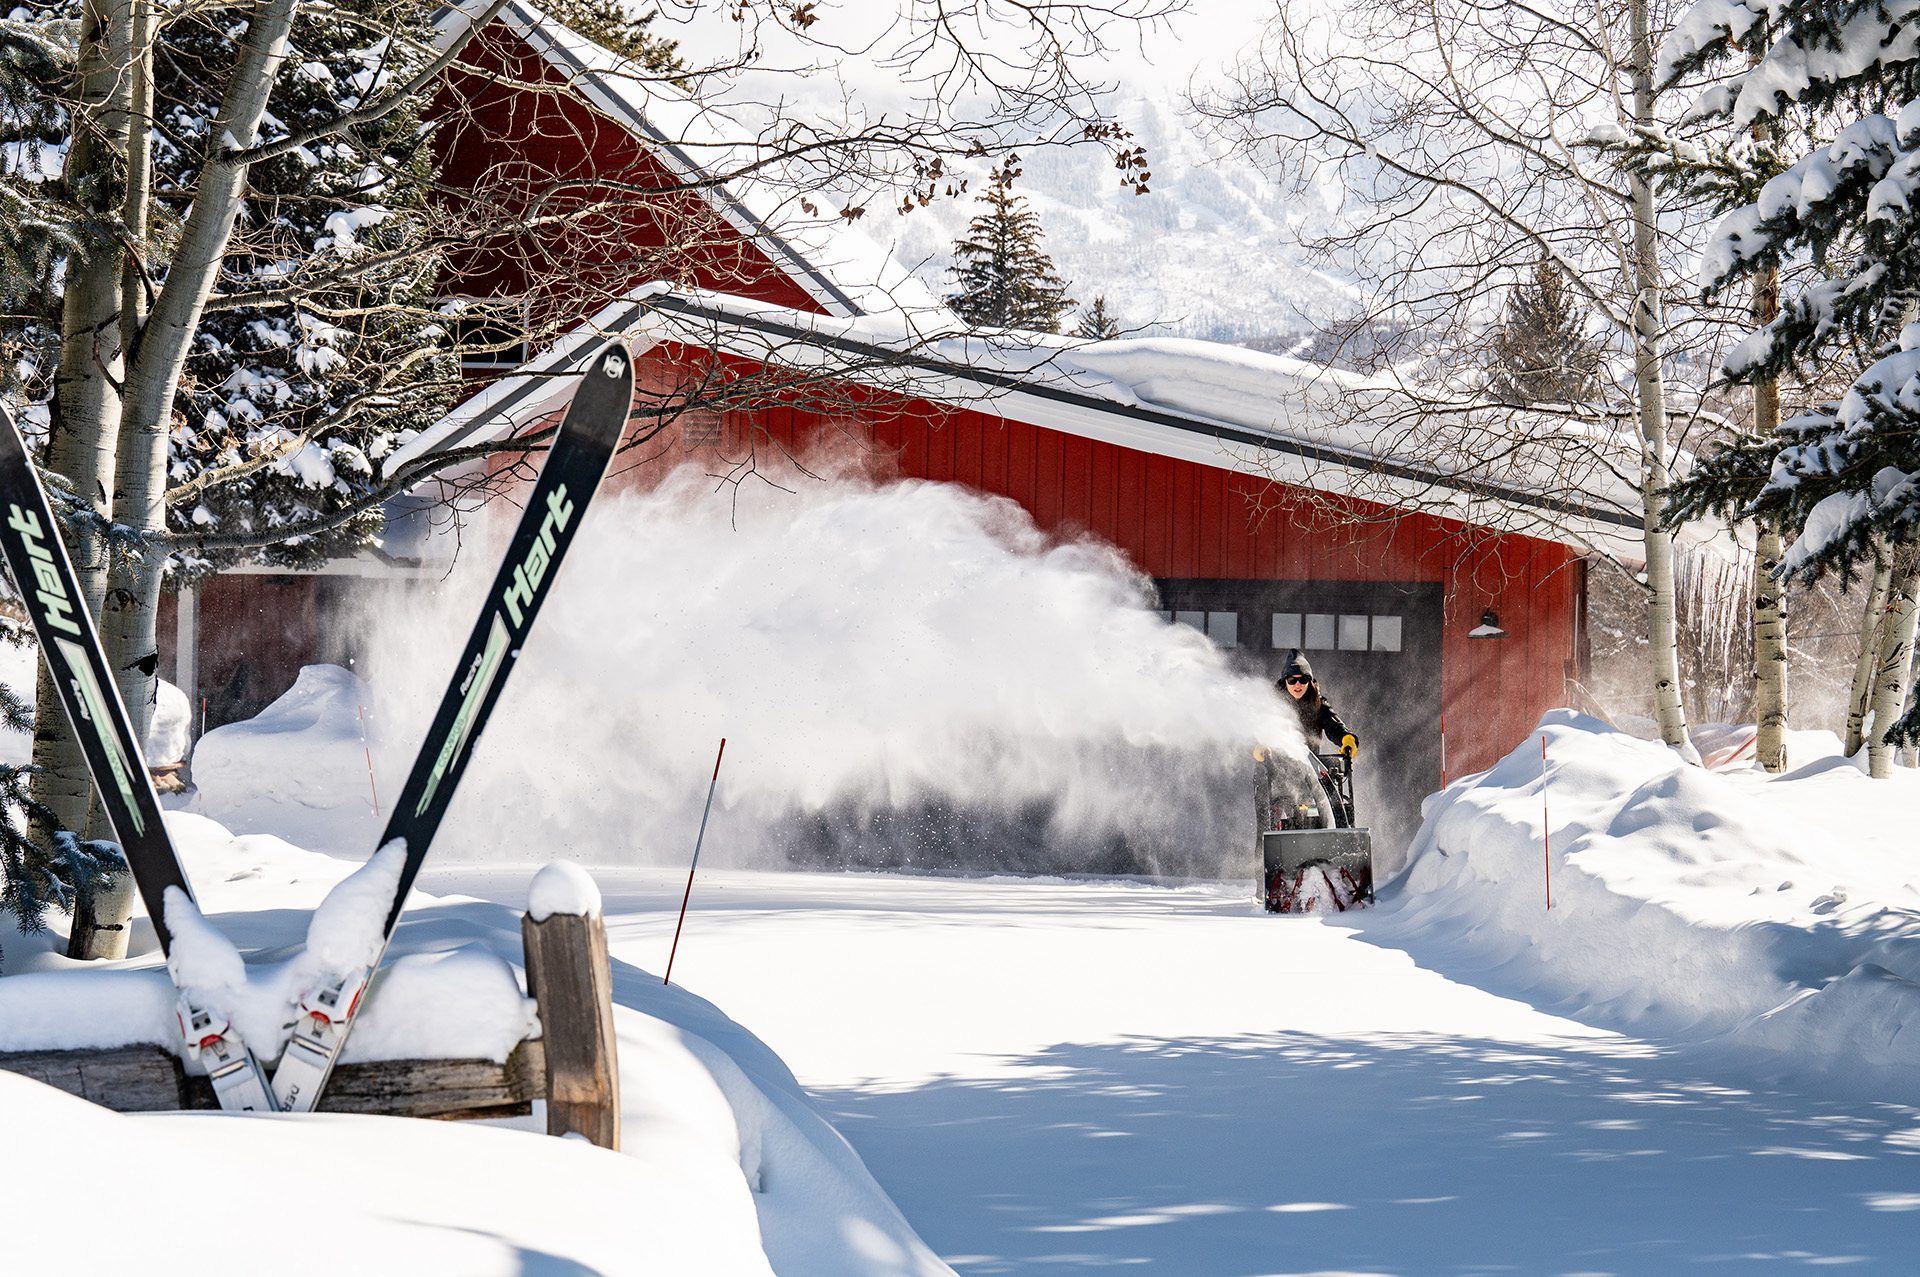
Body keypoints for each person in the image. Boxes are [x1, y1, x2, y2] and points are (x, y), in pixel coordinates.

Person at [1255, 651, 1360, 849]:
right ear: (1284, 681)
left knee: (1333, 806)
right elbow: (1258, 728)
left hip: (1308, 771)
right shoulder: (1273, 704)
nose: (1297, 685)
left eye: (1303, 679)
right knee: (1267, 826)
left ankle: (1333, 849)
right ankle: (1265, 871)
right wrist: (1259, 746)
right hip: (1274, 771)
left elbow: (1334, 725)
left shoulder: (1318, 703)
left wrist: (1346, 739)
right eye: (1292, 680)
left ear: (1310, 681)